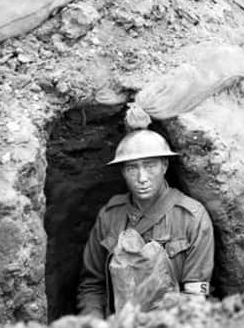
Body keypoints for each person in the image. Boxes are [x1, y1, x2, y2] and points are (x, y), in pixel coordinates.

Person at [76, 129, 214, 318]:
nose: (142, 178)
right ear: (123, 171)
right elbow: (92, 286)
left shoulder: (192, 217)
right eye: (132, 168)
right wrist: (94, 322)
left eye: (150, 166)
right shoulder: (110, 216)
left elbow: (195, 296)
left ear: (164, 166)